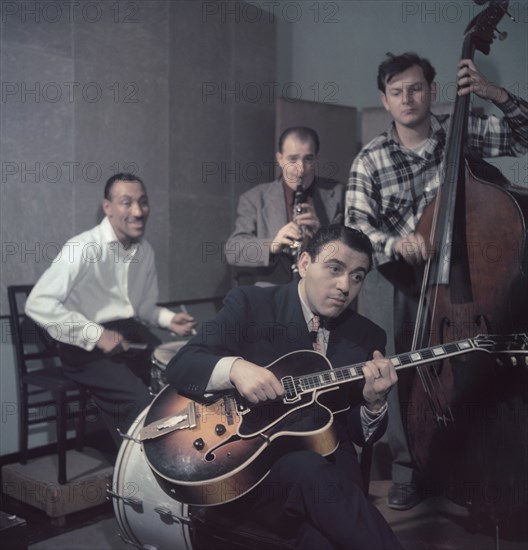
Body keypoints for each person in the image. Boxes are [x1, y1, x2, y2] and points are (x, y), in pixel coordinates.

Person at [345, 52, 528, 510]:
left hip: (461, 274)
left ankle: (472, 462)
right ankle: (408, 470)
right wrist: (394, 244)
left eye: (416, 88)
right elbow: (354, 227)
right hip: (398, 277)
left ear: (431, 90)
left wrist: (495, 94)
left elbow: (525, 137)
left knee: (477, 360)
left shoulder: (461, 131)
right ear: (384, 101)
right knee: (395, 368)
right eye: (397, 91)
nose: (407, 98)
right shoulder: (370, 160)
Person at [167, 225, 403, 550]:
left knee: (322, 538)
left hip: (332, 468)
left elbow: (359, 434)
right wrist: (235, 368)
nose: (345, 286)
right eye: (335, 269)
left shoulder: (367, 336)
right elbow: (182, 365)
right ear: (305, 264)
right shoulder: (251, 303)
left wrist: (374, 405)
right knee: (306, 469)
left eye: (357, 276)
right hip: (256, 469)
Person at [25, 173, 196, 447]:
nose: (138, 212)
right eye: (126, 203)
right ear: (108, 208)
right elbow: (38, 303)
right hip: (83, 348)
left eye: (143, 202)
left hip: (129, 335)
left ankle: (180, 459)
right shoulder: (82, 247)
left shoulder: (145, 251)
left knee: (177, 386)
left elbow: (141, 307)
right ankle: (141, 475)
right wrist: (95, 334)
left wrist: (169, 319)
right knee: (142, 408)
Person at [225, 126, 345, 286]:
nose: (300, 169)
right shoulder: (254, 198)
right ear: (280, 159)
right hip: (271, 296)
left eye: (308, 159)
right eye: (293, 159)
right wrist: (273, 245)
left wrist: (321, 233)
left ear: (317, 158)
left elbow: (350, 253)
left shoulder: (337, 194)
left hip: (319, 293)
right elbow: (233, 250)